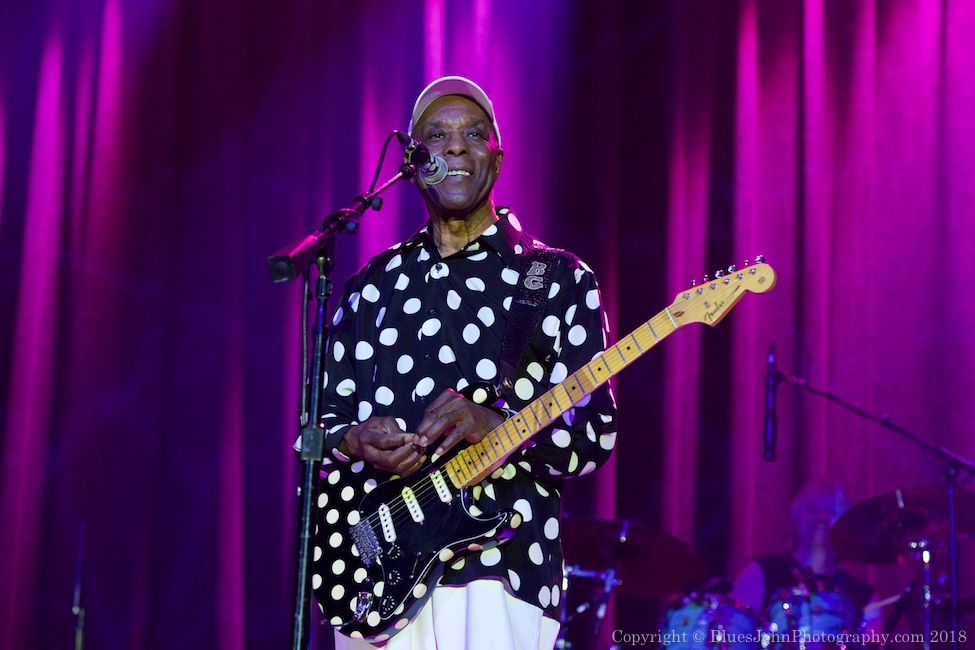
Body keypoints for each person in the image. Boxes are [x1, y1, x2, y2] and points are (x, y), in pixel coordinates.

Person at [310, 76, 618, 650]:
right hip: (372, 576)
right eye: (437, 135)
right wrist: (354, 438)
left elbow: (594, 433)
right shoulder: (370, 286)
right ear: (412, 162)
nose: (455, 145)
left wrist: (497, 426)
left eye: (475, 134)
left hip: (499, 573)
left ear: (497, 157)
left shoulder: (556, 278)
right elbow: (317, 425)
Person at [730, 478, 883, 645]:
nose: (822, 518)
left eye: (832, 512)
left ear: (846, 525)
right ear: (796, 519)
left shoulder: (864, 596)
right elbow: (734, 639)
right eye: (813, 510)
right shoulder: (760, 573)